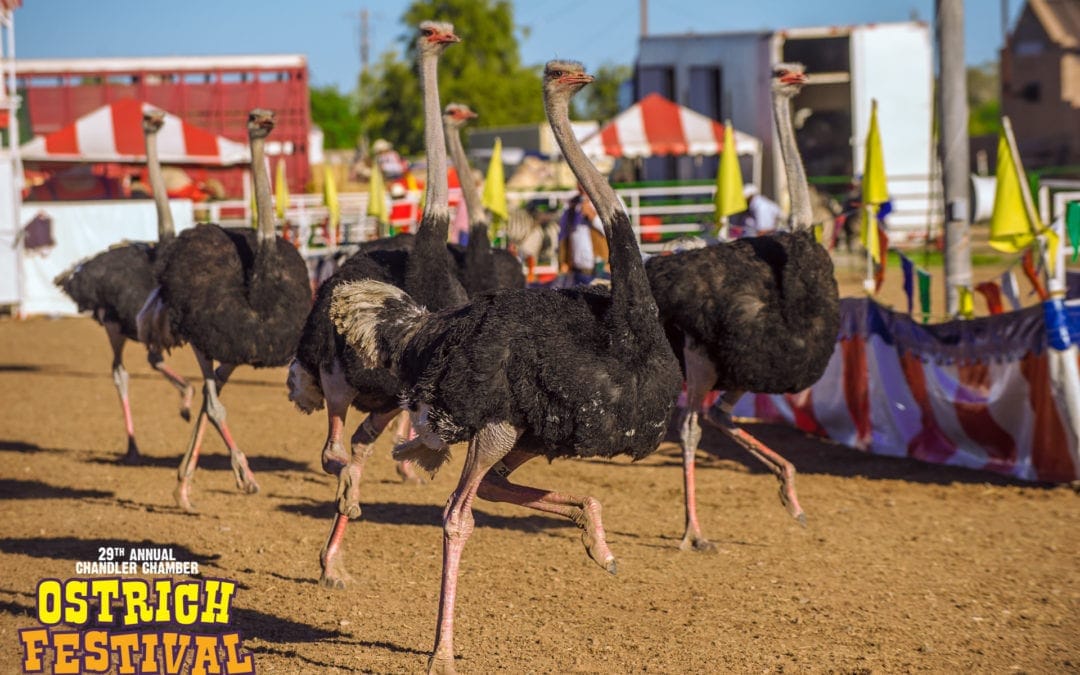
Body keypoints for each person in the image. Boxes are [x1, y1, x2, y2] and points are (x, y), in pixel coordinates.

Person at [557, 188, 608, 285]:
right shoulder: (572, 206)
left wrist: (594, 217)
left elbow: (616, 232)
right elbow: (563, 236)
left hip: (601, 271)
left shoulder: (605, 201)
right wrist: (563, 261)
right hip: (577, 273)